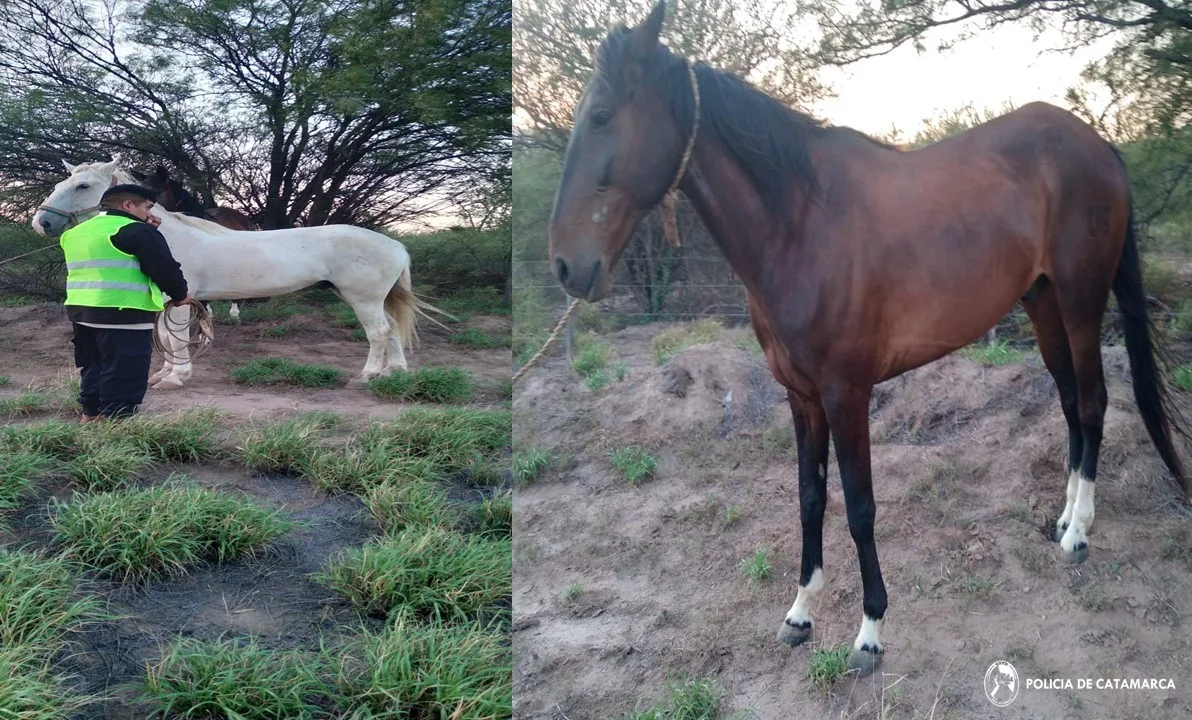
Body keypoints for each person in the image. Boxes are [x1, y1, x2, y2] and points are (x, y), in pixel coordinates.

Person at [59, 184, 201, 421]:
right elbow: (164, 267)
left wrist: (146, 231)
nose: (149, 214)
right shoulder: (138, 231)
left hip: (81, 312)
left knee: (93, 366)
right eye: (146, 207)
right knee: (125, 370)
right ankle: (118, 424)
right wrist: (180, 295)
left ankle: (91, 415)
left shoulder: (74, 233)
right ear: (127, 205)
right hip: (124, 312)